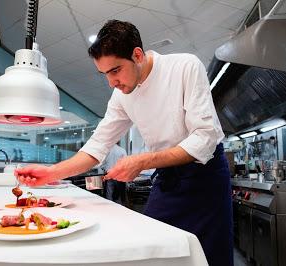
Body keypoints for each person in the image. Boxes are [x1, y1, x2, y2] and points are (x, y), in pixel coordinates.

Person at [15, 19, 232, 266]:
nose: (111, 83)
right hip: (168, 179)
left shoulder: (184, 67)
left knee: (211, 256)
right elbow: (98, 145)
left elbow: (204, 137)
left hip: (206, 178)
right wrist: (52, 172)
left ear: (137, 55)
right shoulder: (121, 95)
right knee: (154, 251)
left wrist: (142, 161)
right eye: (105, 74)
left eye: (115, 70)